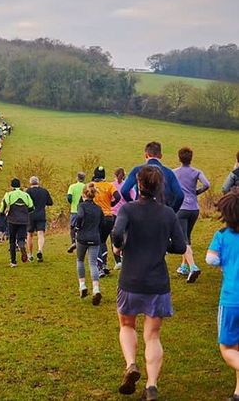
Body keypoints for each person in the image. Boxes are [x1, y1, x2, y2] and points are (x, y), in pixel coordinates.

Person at [112, 166, 186, 400]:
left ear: (138, 185)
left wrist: (120, 245)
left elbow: (116, 233)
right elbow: (181, 247)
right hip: (157, 282)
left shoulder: (128, 210)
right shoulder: (168, 214)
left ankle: (131, 364)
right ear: (159, 187)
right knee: (153, 335)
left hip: (130, 280)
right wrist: (163, 245)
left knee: (127, 325)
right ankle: (151, 385)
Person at [206, 188, 239, 401]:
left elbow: (210, 259)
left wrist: (221, 261)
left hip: (231, 299)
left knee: (227, 347)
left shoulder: (221, 236)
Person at [174, 147, 210, 283]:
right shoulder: (196, 172)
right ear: (191, 158)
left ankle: (193, 267)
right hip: (194, 209)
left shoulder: (175, 173)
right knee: (187, 237)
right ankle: (183, 266)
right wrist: (197, 192)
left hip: (181, 208)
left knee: (183, 239)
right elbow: (207, 184)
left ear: (179, 158)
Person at [121, 141, 184, 213]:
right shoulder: (169, 172)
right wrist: (172, 211)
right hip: (161, 211)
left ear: (146, 155)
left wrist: (133, 203)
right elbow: (180, 195)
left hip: (141, 209)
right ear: (160, 156)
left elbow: (124, 190)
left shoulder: (138, 170)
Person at [76, 183, 104, 305]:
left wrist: (77, 226)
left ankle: (82, 285)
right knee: (93, 263)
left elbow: (80, 216)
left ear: (84, 195)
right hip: (95, 237)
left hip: (82, 237)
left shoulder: (81, 206)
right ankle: (96, 288)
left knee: (80, 260)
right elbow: (102, 223)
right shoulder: (98, 208)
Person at [92, 166, 120, 276]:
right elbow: (117, 196)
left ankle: (99, 268)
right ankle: (104, 265)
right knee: (103, 241)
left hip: (97, 217)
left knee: (97, 242)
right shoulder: (109, 185)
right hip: (109, 217)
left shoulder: (92, 186)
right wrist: (111, 204)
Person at [0, 178, 34, 267]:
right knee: (21, 238)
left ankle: (13, 261)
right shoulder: (25, 195)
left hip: (12, 219)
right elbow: (31, 207)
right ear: (20, 185)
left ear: (11, 186)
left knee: (12, 240)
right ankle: (22, 246)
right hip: (23, 219)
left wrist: (2, 213)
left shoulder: (9, 194)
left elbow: (3, 205)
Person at [111, 168, 135, 270]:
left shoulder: (111, 185)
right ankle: (125, 257)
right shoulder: (128, 186)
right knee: (126, 235)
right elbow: (133, 199)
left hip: (113, 212)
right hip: (125, 213)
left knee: (114, 236)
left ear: (115, 175)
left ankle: (117, 260)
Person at [26, 176, 53, 262]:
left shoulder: (28, 192)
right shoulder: (44, 191)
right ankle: (40, 250)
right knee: (40, 234)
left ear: (30, 182)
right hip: (41, 214)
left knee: (30, 235)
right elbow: (50, 202)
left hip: (30, 215)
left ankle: (30, 254)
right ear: (38, 182)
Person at [67, 172, 86, 253]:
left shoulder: (72, 186)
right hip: (84, 210)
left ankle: (73, 242)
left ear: (77, 178)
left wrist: (71, 202)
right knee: (83, 227)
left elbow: (69, 197)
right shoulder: (86, 186)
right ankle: (82, 243)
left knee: (72, 227)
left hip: (74, 209)